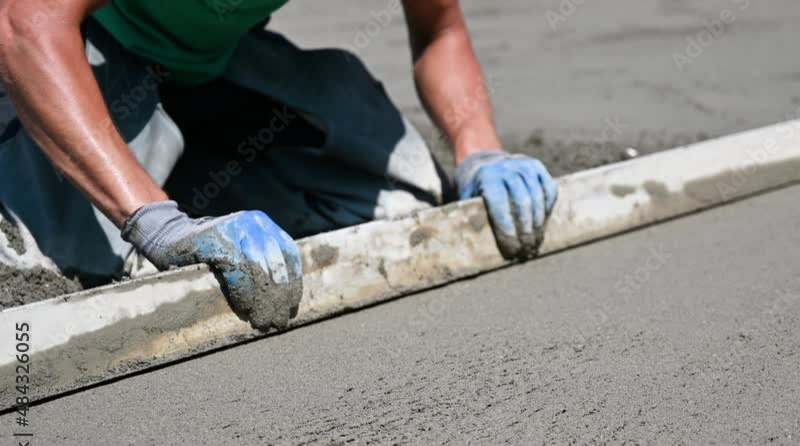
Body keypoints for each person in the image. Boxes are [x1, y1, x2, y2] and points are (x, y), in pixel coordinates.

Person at [0, 0, 558, 330]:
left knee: (399, 199)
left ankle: (190, 181)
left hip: (207, 65)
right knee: (83, 267)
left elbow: (441, 30)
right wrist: (153, 221)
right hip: (62, 55)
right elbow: (26, 24)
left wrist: (480, 149)